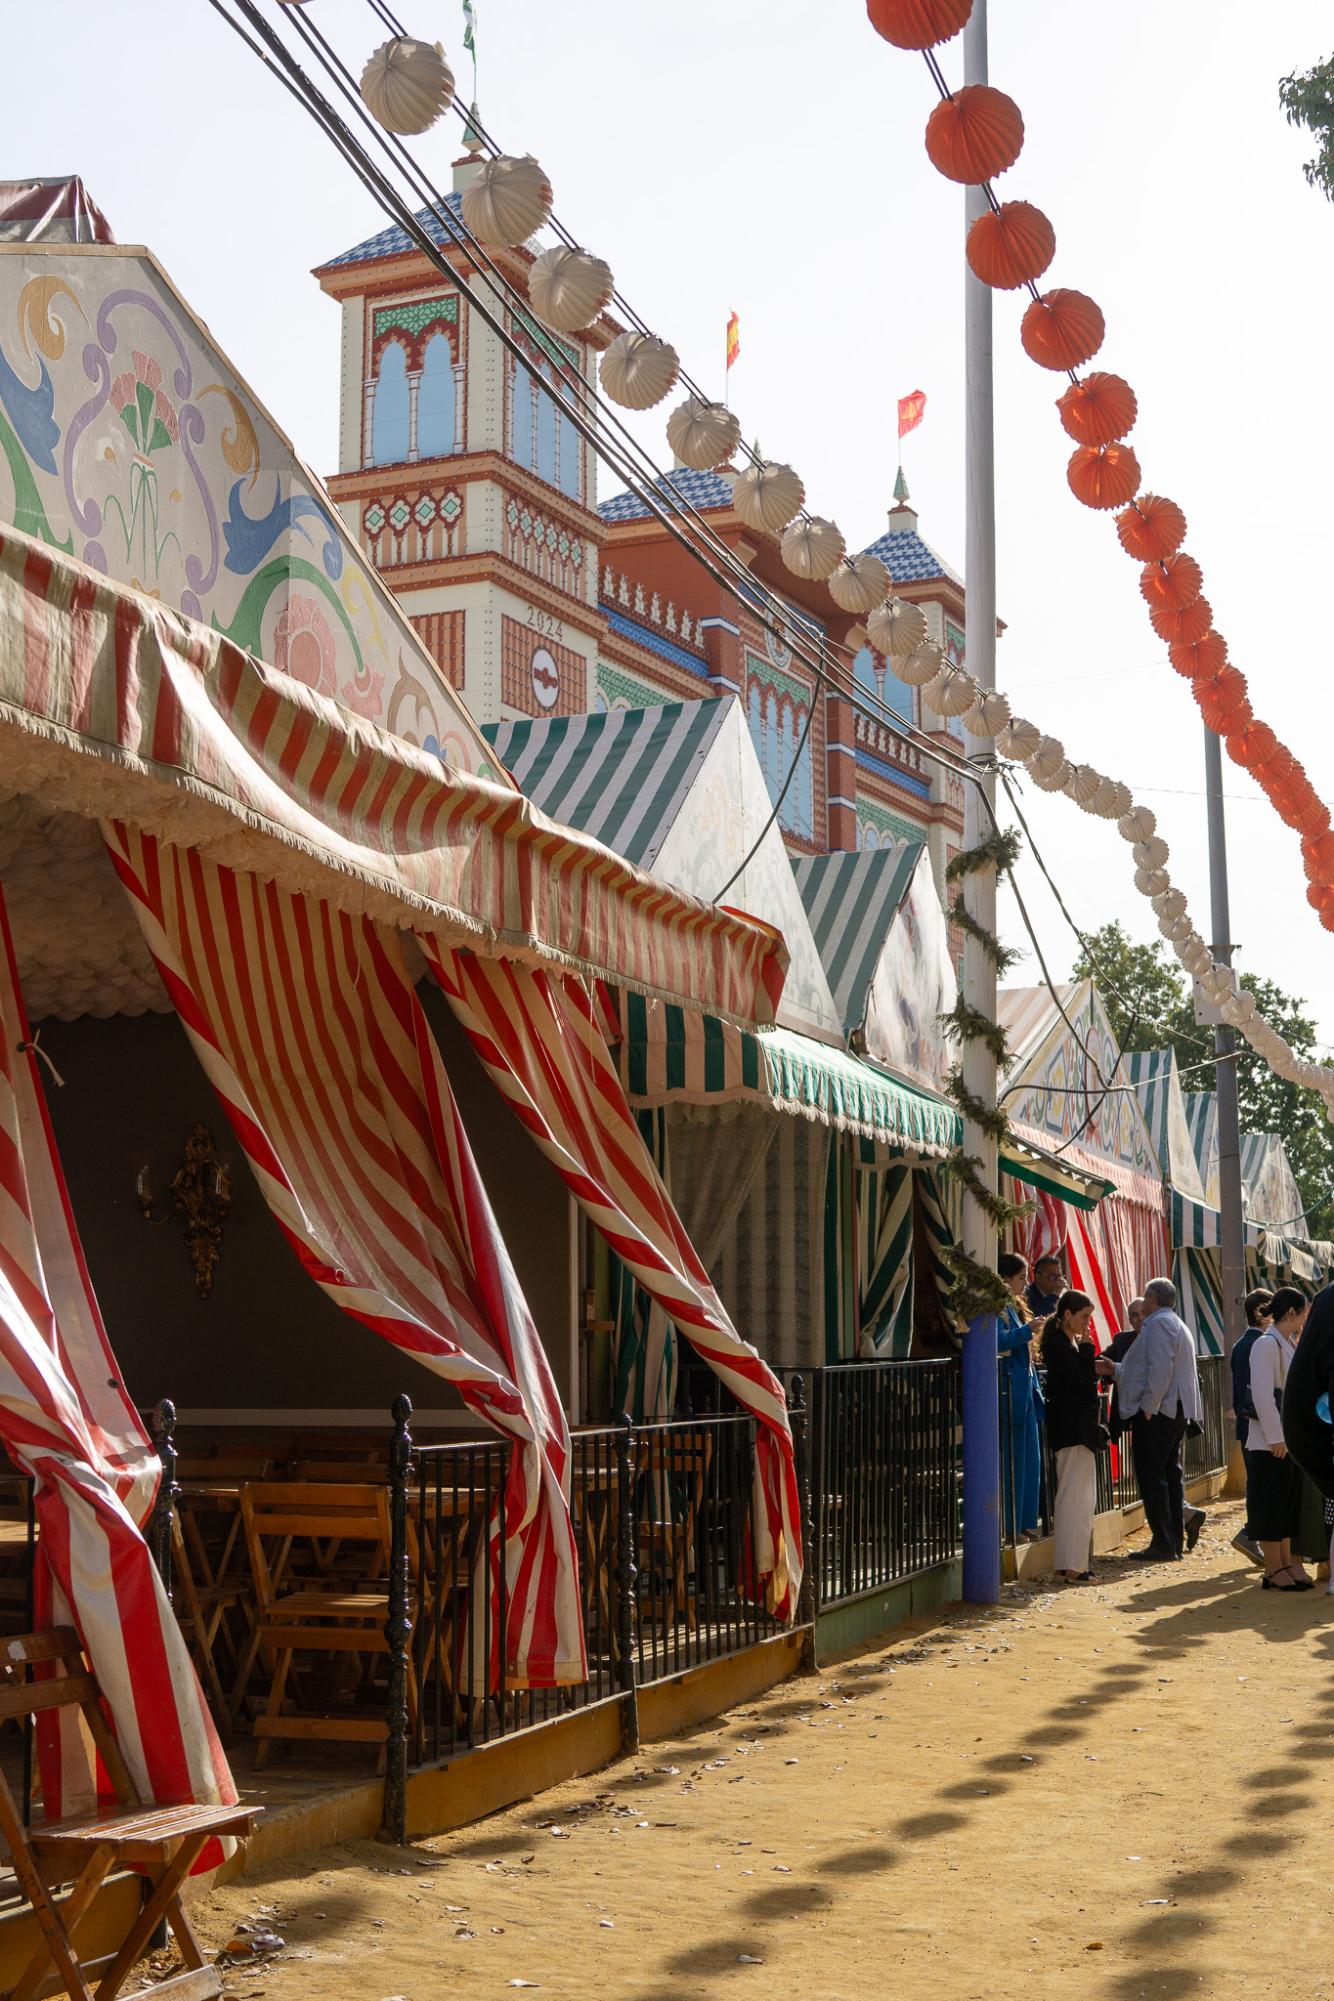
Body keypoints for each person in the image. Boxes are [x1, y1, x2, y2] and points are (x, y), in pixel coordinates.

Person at [1095, 1276, 1202, 1563]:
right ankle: (1171, 1541)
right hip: (1171, 1409)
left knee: (1152, 1475)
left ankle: (1164, 1543)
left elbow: (1159, 1369)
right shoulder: (1172, 1322)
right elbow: (1145, 1367)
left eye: (1145, 1297)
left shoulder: (1159, 1323)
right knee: (1168, 1474)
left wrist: (1149, 1406)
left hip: (1160, 1411)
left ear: (1152, 1299)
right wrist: (1116, 1370)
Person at [1245, 1286, 1313, 1591]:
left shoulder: (1286, 1342)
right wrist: (1275, 1437)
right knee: (1270, 1503)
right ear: (1291, 1313)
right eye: (1302, 1313)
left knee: (1285, 1504)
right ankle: (1273, 1567)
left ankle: (1285, 1562)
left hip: (1287, 1440)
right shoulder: (1266, 1344)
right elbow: (1262, 1395)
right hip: (1270, 1442)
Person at [1041, 1290, 1106, 1582]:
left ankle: (1072, 1562)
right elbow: (1083, 1383)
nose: (1087, 1324)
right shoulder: (1059, 1346)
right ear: (1068, 1314)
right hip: (1073, 1431)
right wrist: (1087, 1350)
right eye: (1084, 1317)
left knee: (1077, 1497)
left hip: (1075, 1430)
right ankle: (1072, 1565)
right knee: (1075, 1498)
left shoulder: (1062, 1344)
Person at [998, 1251, 1044, 1544]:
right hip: (1011, 1389)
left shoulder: (1013, 1306)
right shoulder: (996, 1308)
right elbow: (998, 1341)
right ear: (1006, 1279)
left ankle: (1026, 1521)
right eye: (1021, 1277)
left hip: (1025, 1390)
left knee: (1031, 1460)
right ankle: (1012, 1525)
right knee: (1014, 1462)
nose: (1025, 1283)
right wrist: (1027, 1330)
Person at [1229, 1288, 1274, 1568]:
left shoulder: (1241, 1344)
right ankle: (1251, 1532)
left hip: (1248, 1426)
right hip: (1256, 1426)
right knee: (1262, 1484)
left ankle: (1252, 1532)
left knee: (1258, 1483)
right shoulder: (1257, 1344)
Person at [1026, 1254, 1065, 1322]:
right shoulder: (1027, 1295)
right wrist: (1054, 1296)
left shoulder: (1062, 1293)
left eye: (1059, 1276)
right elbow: (1041, 1319)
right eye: (1053, 1276)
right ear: (1038, 1276)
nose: (1058, 1281)